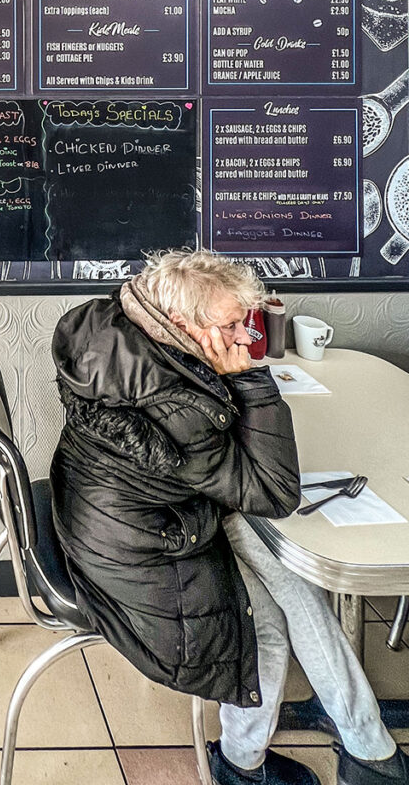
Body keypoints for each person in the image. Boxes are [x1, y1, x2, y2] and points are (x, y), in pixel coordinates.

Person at [49, 250, 406, 785]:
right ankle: (241, 765)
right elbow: (273, 490)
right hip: (147, 548)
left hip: (144, 510)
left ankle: (365, 739)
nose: (246, 337)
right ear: (181, 323)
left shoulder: (122, 328)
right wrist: (254, 380)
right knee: (263, 629)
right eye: (232, 324)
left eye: (247, 321)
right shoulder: (177, 405)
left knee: (294, 580)